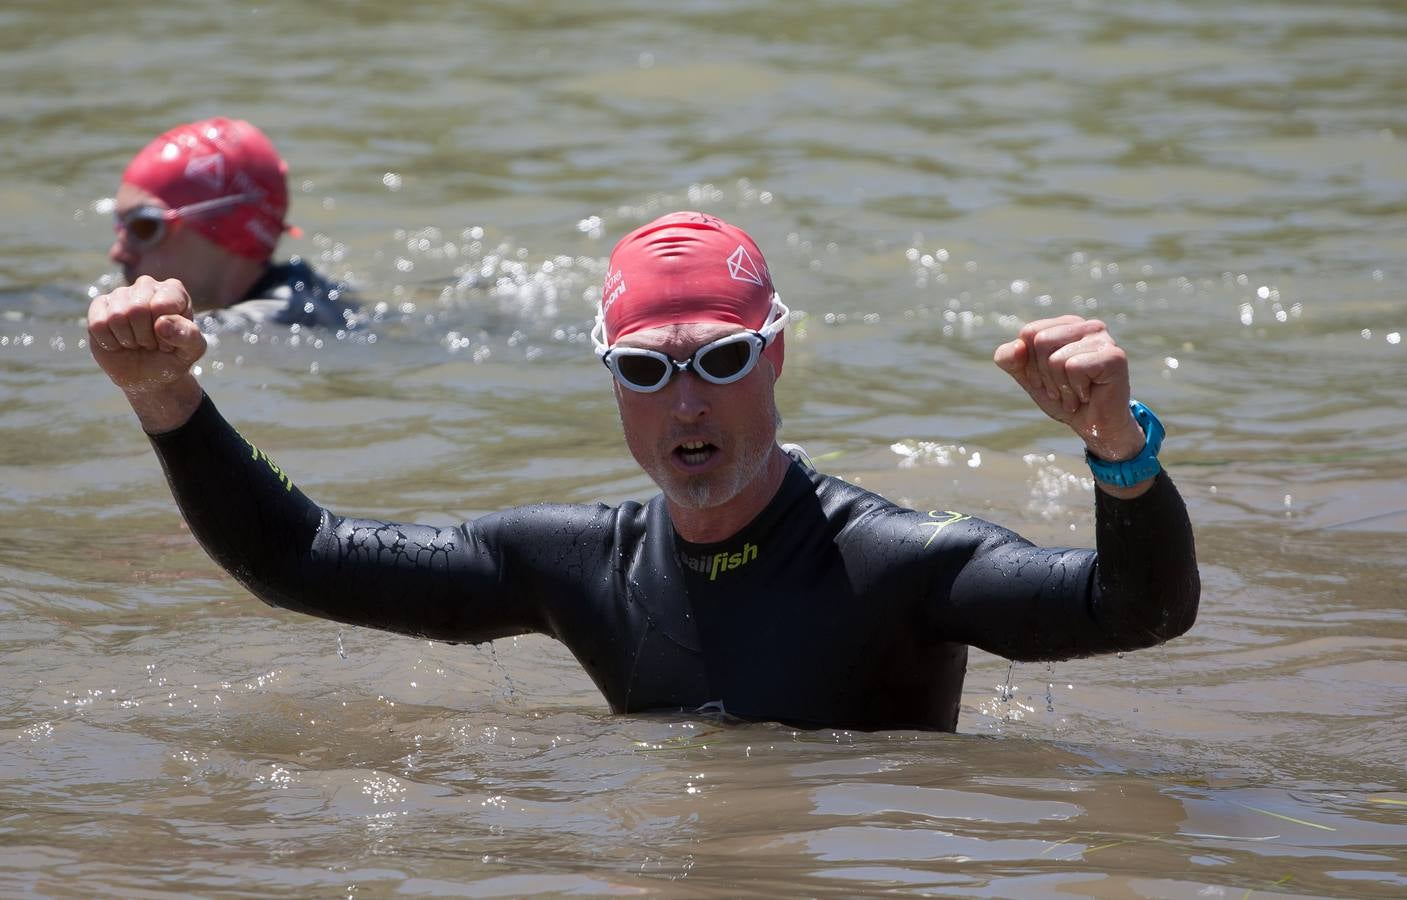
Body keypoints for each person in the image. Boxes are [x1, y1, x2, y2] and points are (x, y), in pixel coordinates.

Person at [87, 211, 1198, 732]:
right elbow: (300, 558)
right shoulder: (574, 567)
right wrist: (166, 400)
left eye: (720, 361)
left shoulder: (898, 564)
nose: (686, 403)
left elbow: (1137, 611)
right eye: (645, 370)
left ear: (774, 357)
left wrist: (1118, 454)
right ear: (608, 380)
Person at [108, 117, 357, 331]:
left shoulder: (283, 324)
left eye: (144, 228)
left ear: (225, 234)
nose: (117, 253)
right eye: (119, 225)